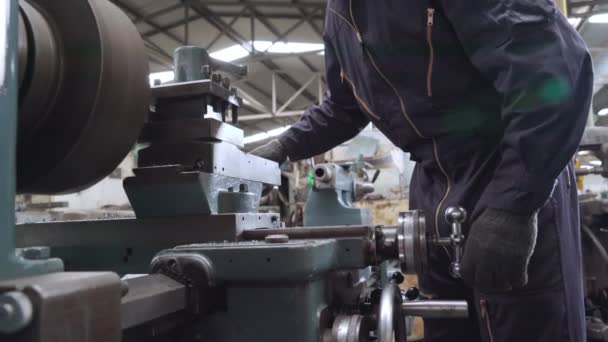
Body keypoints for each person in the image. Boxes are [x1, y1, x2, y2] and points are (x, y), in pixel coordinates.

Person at [251, 1, 593, 341]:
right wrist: (284, 147)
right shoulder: (339, 14)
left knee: (524, 327)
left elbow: (550, 72)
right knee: (446, 325)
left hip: (505, 167)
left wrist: (513, 203)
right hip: (431, 186)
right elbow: (344, 105)